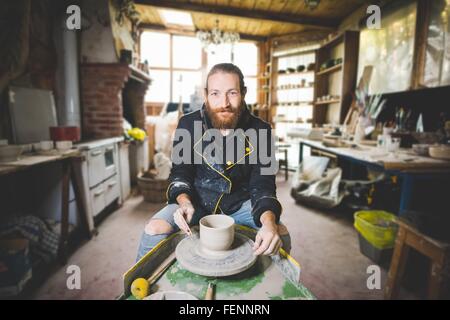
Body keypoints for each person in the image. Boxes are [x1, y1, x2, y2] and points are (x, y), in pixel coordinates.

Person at [136, 63, 290, 261]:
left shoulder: (262, 131)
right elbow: (180, 174)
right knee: (154, 228)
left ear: (243, 93)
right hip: (196, 201)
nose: (224, 102)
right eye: (215, 93)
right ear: (206, 94)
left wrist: (269, 223)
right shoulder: (188, 124)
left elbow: (263, 184)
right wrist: (184, 202)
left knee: (281, 235)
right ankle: (136, 289)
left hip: (240, 203)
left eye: (232, 93)